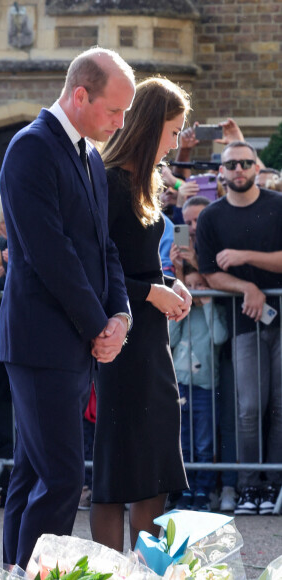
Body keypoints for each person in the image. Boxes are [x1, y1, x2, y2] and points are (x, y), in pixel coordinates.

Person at [0, 47, 135, 569]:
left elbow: (105, 248)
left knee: (33, 475)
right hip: (42, 341)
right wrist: (98, 323)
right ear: (80, 95)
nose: (120, 123)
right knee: (59, 479)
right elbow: (48, 252)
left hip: (76, 341)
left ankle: (15, 570)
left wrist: (119, 315)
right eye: (113, 111)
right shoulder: (31, 148)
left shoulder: (90, 157)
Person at [92, 77, 192, 552]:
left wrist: (171, 284)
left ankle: (148, 569)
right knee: (116, 473)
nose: (175, 143)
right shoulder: (109, 182)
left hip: (152, 344)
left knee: (153, 470)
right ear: (150, 127)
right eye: (173, 132)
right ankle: (111, 568)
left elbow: (144, 264)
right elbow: (96, 271)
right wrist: (151, 292)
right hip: (121, 338)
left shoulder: (146, 183)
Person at [195, 140, 282, 516]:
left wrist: (246, 259)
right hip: (242, 323)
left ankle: (273, 483)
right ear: (222, 173)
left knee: (280, 405)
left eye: (246, 163)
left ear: (256, 167)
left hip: (281, 316)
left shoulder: (277, 206)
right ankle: (248, 485)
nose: (240, 170)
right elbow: (210, 272)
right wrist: (247, 286)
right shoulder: (213, 216)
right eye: (232, 165)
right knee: (249, 407)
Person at [169, 266, 228, 511]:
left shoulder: (213, 311)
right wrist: (180, 305)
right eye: (190, 286)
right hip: (180, 384)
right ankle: (185, 488)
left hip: (205, 386)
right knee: (183, 441)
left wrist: (209, 304)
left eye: (200, 286)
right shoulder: (184, 313)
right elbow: (170, 340)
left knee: (204, 442)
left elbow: (219, 337)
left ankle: (203, 490)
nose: (195, 291)